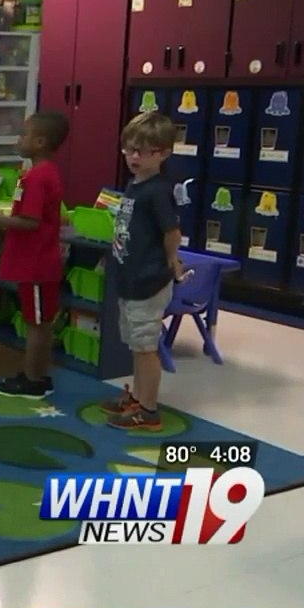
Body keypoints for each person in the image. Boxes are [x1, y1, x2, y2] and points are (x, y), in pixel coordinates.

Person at [103, 111, 186, 432]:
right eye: (129, 150)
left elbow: (172, 231)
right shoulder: (136, 185)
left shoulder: (157, 191)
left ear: (164, 153)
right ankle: (137, 397)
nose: (134, 157)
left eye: (143, 151)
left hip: (148, 282)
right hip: (131, 278)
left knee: (146, 347)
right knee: (136, 345)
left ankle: (148, 410)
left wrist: (171, 261)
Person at [0, 112, 69, 400]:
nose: (19, 139)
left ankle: (34, 380)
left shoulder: (37, 177)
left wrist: (1, 221)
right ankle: (36, 374)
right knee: (40, 321)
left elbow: (32, 221)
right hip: (39, 261)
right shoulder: (46, 172)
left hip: (36, 263)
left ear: (40, 141)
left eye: (24, 135)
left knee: (36, 324)